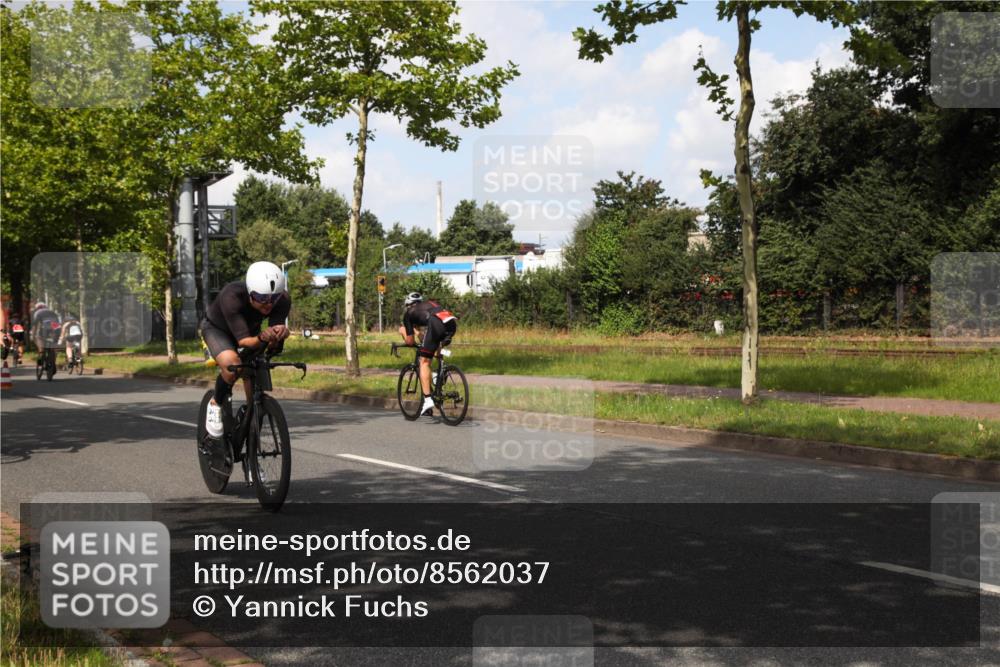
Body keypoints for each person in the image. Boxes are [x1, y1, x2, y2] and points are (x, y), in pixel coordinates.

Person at [200, 261, 291, 440]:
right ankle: (215, 402)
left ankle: (252, 421)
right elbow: (244, 341)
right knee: (233, 365)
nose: (268, 305)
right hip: (218, 330)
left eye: (273, 299)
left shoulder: (282, 300)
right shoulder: (231, 296)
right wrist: (263, 338)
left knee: (254, 370)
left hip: (250, 332)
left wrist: (280, 335)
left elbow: (272, 343)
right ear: (250, 293)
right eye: (262, 298)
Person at [398, 292, 457, 417]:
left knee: (423, 362)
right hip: (451, 322)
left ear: (408, 305)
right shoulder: (429, 304)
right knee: (433, 349)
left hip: (436, 323)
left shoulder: (408, 314)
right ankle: (436, 376)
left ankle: (427, 399)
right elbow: (427, 337)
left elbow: (410, 341)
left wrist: (404, 331)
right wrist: (419, 333)